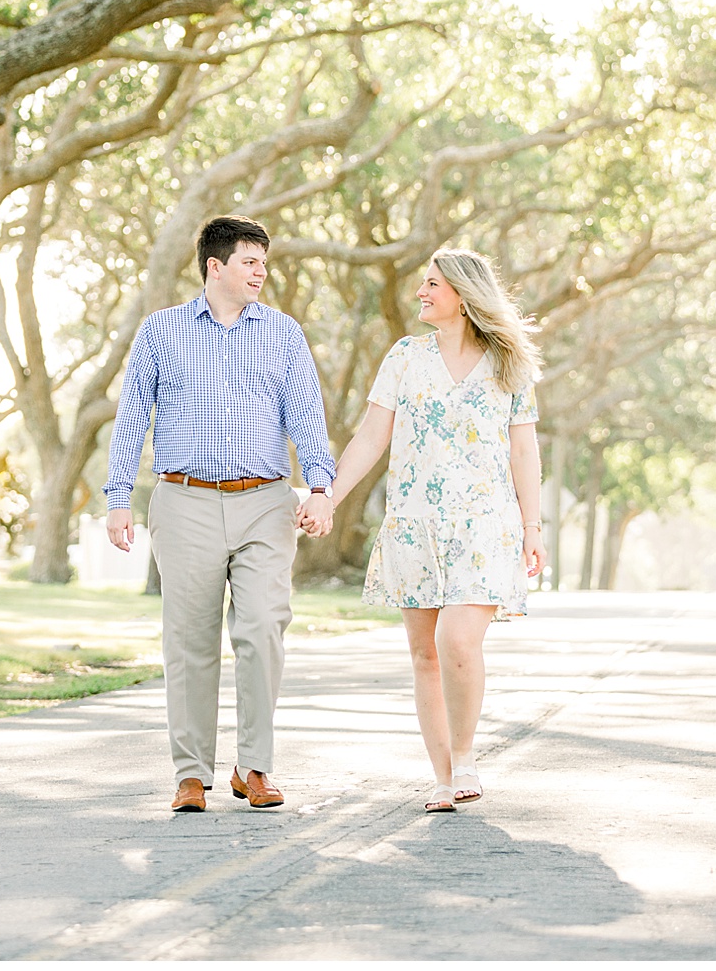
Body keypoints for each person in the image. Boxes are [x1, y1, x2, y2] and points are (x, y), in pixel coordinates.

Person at [105, 214, 337, 813]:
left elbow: (306, 414)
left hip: (266, 502)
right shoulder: (161, 332)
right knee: (190, 640)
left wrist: (320, 487)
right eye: (250, 262)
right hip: (184, 502)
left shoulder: (283, 334)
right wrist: (116, 500)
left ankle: (254, 767)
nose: (262, 272)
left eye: (264, 262)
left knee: (262, 628)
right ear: (216, 267)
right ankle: (191, 773)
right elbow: (132, 417)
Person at [318, 247, 546, 813]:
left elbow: (524, 450)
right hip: (414, 526)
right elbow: (371, 437)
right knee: (424, 654)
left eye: (432, 285)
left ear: (464, 299)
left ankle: (465, 754)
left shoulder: (508, 365)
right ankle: (444, 777)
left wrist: (533, 526)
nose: (420, 293)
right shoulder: (404, 356)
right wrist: (327, 496)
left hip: (485, 526)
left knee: (456, 641)